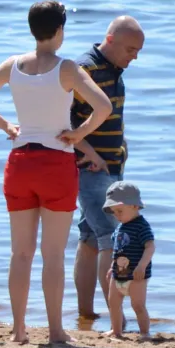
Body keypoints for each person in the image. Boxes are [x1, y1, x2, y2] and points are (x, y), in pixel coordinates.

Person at [0, 0, 112, 344]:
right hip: (56, 164)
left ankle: (18, 329)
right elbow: (103, 106)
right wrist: (79, 134)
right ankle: (56, 330)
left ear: (33, 29)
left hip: (20, 164)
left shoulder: (13, 66)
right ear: (59, 31)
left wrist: (6, 126)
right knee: (53, 255)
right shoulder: (68, 69)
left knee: (20, 253)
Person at [71, 16, 145, 321]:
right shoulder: (84, 69)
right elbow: (63, 121)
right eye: (130, 49)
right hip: (91, 168)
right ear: (110, 40)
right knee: (109, 237)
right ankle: (118, 317)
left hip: (112, 167)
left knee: (89, 238)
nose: (135, 56)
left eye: (138, 51)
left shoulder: (115, 70)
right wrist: (89, 152)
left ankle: (86, 314)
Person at [101, 182, 154, 341]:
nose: (116, 215)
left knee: (138, 305)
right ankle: (116, 331)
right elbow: (118, 251)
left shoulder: (141, 226)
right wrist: (112, 267)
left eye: (119, 211)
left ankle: (144, 332)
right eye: (114, 212)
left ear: (135, 206)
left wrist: (142, 266)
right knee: (114, 304)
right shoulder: (120, 227)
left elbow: (150, 247)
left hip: (136, 276)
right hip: (118, 274)